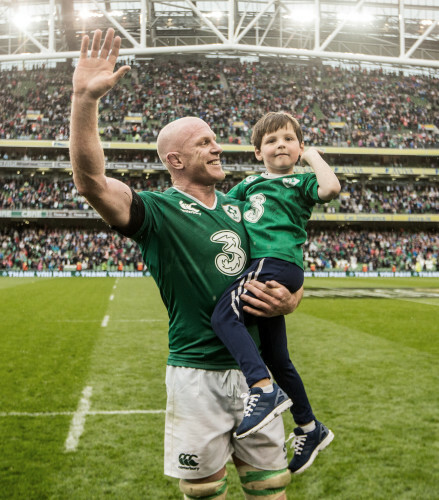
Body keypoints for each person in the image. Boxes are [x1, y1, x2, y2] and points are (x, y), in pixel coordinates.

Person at [70, 28, 303, 500]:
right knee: (203, 492)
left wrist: (293, 296)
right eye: (204, 142)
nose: (217, 148)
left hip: (256, 372)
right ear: (175, 158)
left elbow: (285, 257)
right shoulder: (158, 211)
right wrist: (84, 101)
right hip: (198, 373)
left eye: (216, 140)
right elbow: (92, 182)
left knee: (273, 487)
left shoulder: (242, 206)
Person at [211, 112, 340, 474]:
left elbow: (330, 189)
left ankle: (261, 388)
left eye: (288, 139)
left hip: (275, 262)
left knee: (223, 315)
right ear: (257, 151)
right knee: (277, 356)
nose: (280, 144)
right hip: (264, 266)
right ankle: (310, 427)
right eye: (271, 140)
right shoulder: (250, 184)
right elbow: (220, 209)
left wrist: (312, 157)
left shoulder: (300, 181)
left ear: (298, 147)